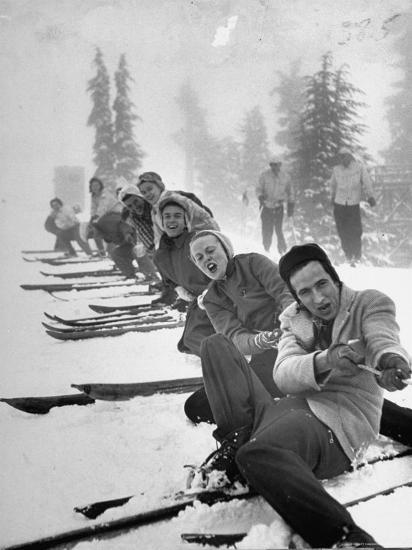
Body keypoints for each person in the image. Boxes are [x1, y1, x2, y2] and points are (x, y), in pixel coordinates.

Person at [190, 243, 411, 548]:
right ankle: (238, 439)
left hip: (334, 421)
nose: (317, 299)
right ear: (295, 297)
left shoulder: (368, 303)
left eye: (322, 284)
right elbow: (283, 373)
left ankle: (346, 538)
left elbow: (381, 337)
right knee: (214, 345)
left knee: (255, 454)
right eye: (305, 292)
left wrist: (389, 359)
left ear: (334, 278)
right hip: (288, 408)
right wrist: (324, 360)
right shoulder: (293, 319)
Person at [186, 230, 293, 423]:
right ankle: (265, 405)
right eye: (199, 257)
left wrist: (289, 326)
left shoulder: (253, 264)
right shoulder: (212, 299)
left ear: (226, 250)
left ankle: (283, 402)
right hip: (267, 353)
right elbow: (234, 337)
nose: (206, 259)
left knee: (291, 378)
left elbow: (286, 291)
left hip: (297, 338)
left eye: (210, 250)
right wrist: (259, 341)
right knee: (196, 406)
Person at [153, 195, 216, 354]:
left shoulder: (197, 241)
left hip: (219, 300)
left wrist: (211, 293)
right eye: (167, 216)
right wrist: (177, 288)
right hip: (199, 304)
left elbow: (223, 271)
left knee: (197, 339)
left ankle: (233, 359)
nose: (171, 220)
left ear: (186, 220)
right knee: (190, 341)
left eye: (177, 216)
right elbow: (167, 278)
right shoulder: (162, 252)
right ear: (161, 221)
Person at [136, 171, 219, 246]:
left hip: (203, 243)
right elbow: (159, 238)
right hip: (185, 250)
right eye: (143, 193)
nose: (147, 194)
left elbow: (202, 222)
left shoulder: (175, 200)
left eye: (150, 189)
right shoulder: (154, 211)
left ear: (159, 186)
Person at [329, 147, 376, 265]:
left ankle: (356, 254)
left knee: (355, 230)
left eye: (345, 156)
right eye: (341, 157)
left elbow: (367, 182)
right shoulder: (336, 170)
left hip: (353, 203)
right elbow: (333, 185)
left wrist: (370, 196)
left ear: (350, 157)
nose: (343, 159)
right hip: (339, 203)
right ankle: (348, 255)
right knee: (342, 230)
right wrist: (331, 198)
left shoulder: (359, 168)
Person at [256, 156, 295, 254]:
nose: (274, 167)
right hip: (266, 205)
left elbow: (290, 191)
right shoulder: (264, 175)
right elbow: (258, 188)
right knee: (266, 228)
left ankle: (282, 249)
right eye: (272, 165)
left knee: (278, 228)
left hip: (278, 206)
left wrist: (291, 204)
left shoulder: (285, 177)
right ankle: (266, 248)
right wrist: (260, 197)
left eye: (276, 165)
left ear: (280, 165)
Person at [88, 177, 123, 256]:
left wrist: (96, 216)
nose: (95, 187)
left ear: (100, 186)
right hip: (104, 216)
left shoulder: (105, 194)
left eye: (97, 185)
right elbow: (93, 208)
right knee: (96, 231)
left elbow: (103, 207)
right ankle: (101, 252)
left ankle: (112, 252)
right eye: (93, 186)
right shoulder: (93, 196)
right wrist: (92, 217)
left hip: (115, 214)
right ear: (90, 187)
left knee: (109, 232)